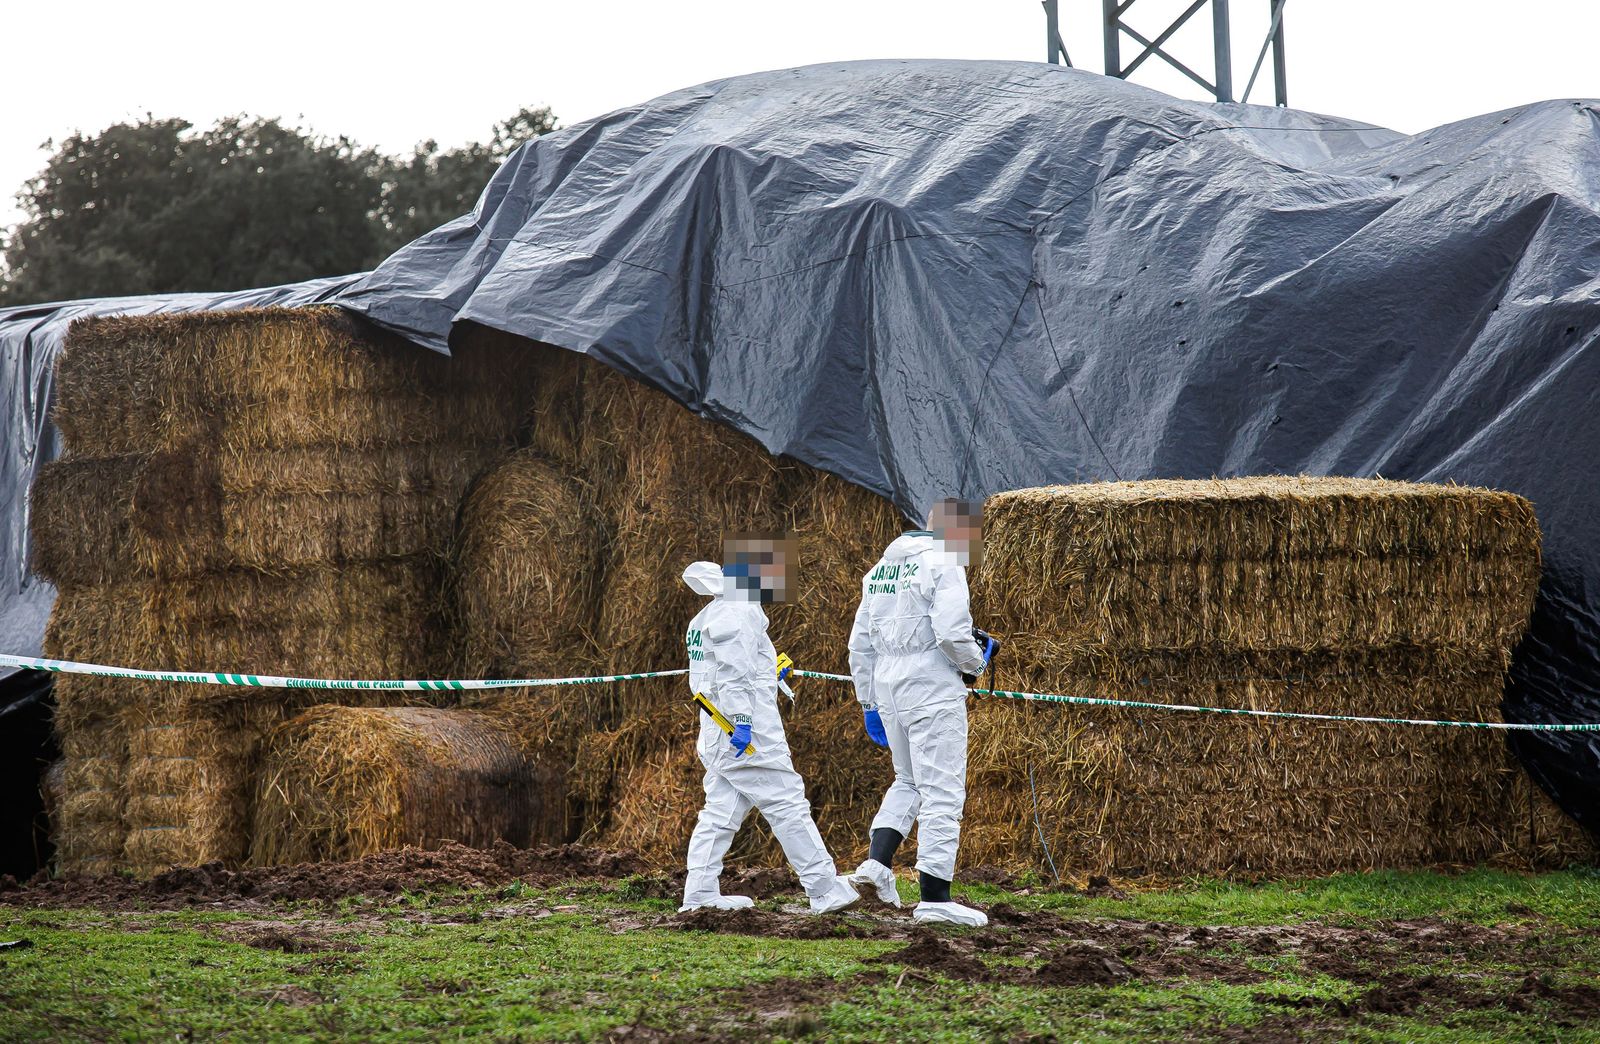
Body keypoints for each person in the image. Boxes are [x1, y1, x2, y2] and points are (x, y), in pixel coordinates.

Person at [679, 535, 860, 915]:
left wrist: (770, 671)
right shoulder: (738, 612)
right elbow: (732, 677)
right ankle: (823, 888)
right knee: (787, 802)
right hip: (743, 733)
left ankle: (699, 892)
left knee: (721, 811)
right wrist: (743, 723)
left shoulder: (713, 613)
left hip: (718, 730)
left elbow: (725, 670)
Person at [845, 498, 994, 926]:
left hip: (889, 687)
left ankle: (875, 867)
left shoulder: (879, 570)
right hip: (931, 688)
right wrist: (976, 663)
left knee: (907, 780)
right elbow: (951, 633)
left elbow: (859, 645)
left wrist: (868, 701)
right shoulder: (945, 562)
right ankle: (934, 896)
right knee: (943, 790)